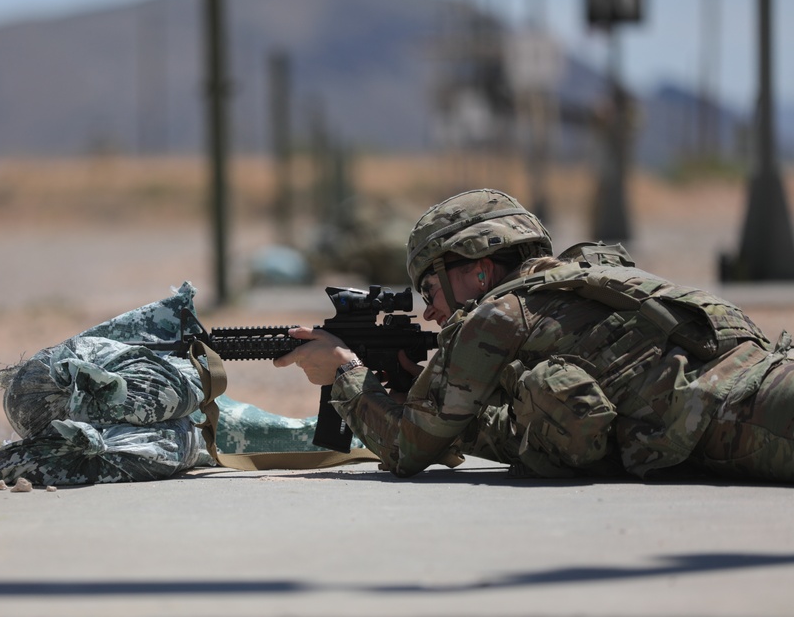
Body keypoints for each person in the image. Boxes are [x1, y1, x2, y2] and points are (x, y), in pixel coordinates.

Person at [274, 188, 794, 482]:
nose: (430, 311)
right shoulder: (587, 278)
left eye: (429, 286)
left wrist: (342, 372)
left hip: (752, 415)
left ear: (477, 269)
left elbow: (406, 453)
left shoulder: (497, 317)